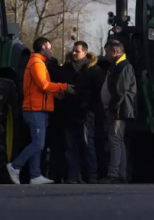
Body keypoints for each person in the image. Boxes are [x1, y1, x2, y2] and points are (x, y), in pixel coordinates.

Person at [7, 38, 75, 185]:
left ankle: (35, 175)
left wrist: (57, 94)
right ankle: (14, 166)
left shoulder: (40, 63)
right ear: (43, 47)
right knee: (38, 144)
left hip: (40, 109)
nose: (51, 50)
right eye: (50, 47)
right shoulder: (37, 63)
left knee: (38, 143)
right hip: (34, 110)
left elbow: (41, 89)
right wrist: (63, 87)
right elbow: (44, 85)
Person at [58, 41, 105, 184]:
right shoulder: (66, 69)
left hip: (86, 113)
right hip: (68, 113)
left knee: (87, 145)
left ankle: (91, 175)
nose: (74, 53)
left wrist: (91, 110)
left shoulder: (94, 70)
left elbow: (99, 93)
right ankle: (73, 176)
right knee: (70, 146)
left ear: (85, 52)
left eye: (77, 51)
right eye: (73, 50)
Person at [100, 39, 137, 184]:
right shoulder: (119, 65)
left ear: (115, 52)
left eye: (107, 52)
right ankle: (121, 173)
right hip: (118, 108)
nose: (106, 55)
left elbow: (120, 91)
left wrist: (112, 108)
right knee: (118, 140)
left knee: (115, 140)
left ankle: (114, 174)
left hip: (118, 109)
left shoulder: (123, 66)